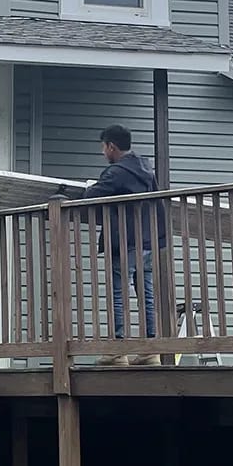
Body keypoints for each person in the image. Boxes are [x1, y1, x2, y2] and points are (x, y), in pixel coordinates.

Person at [83, 124, 166, 367]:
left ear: (111, 146)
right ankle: (150, 352)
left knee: (118, 294)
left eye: (103, 147)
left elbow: (91, 196)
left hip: (126, 241)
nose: (103, 153)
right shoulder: (146, 169)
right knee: (146, 294)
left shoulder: (117, 172)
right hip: (149, 241)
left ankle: (117, 353)